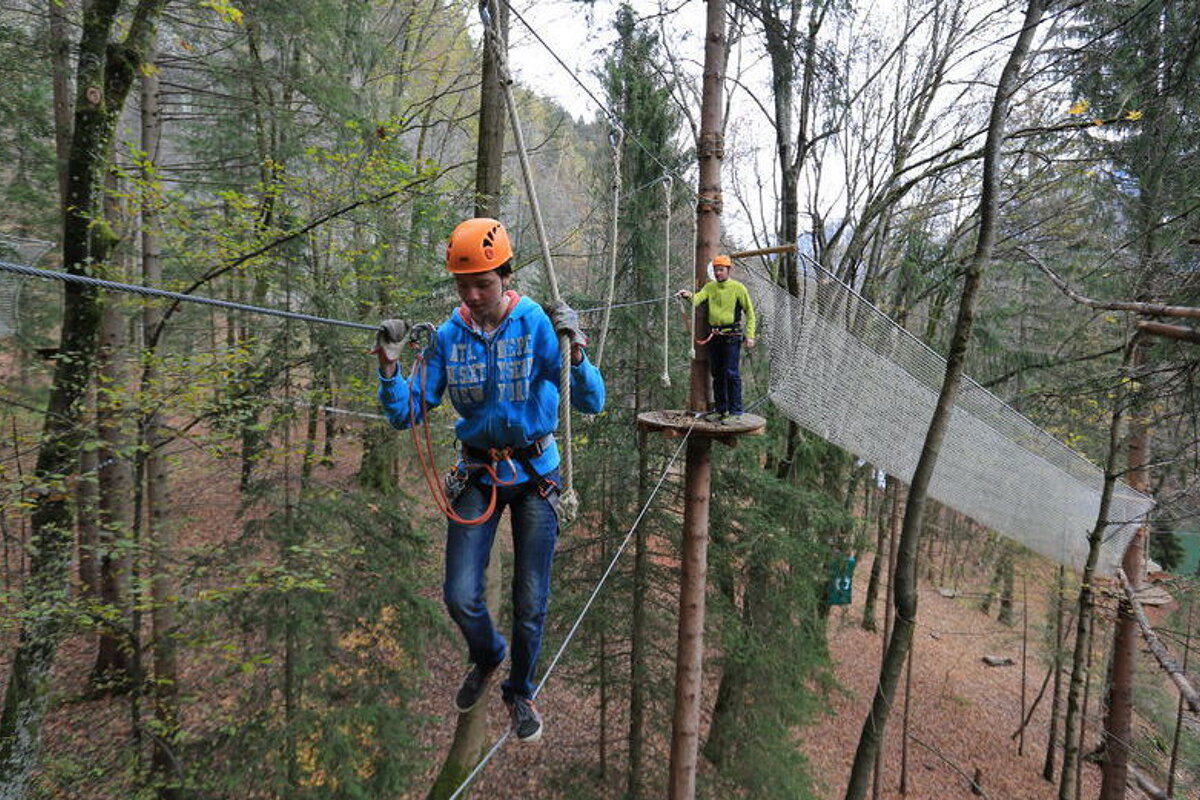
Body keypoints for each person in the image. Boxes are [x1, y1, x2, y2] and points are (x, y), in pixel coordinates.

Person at [372, 218, 604, 743]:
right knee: (459, 595)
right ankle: (487, 654)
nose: (473, 296)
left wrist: (576, 354)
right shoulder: (448, 338)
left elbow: (591, 401)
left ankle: (519, 690)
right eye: (463, 286)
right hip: (478, 469)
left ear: (506, 276)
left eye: (483, 284)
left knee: (531, 601)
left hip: (536, 474)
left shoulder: (536, 325)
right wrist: (390, 369)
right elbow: (406, 411)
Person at [675, 254, 756, 421]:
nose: (718, 273)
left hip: (731, 336)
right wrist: (687, 295)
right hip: (715, 336)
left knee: (731, 373)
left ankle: (735, 412)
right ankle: (721, 410)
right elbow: (697, 299)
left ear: (728, 270)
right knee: (717, 373)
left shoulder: (738, 288)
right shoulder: (710, 288)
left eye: (721, 270)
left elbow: (750, 313)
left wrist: (750, 335)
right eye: (716, 270)